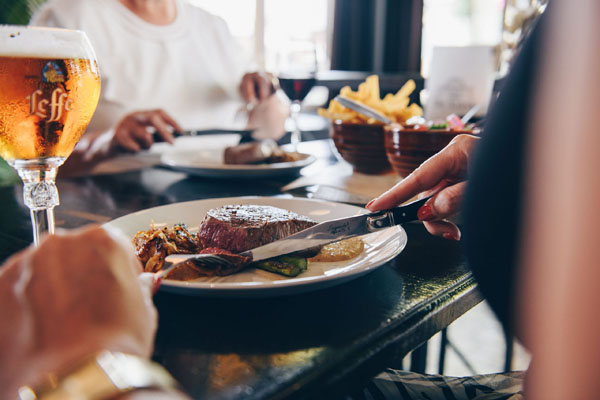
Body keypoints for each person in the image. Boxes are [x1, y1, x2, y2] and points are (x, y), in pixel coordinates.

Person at [29, 0, 287, 173]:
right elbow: (35, 157)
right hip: (115, 207)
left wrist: (266, 92)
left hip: (226, 197)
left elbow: (271, 130)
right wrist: (108, 142)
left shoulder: (213, 26)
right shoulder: (69, 15)